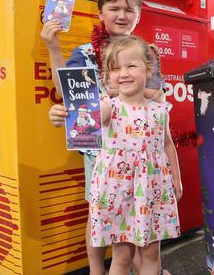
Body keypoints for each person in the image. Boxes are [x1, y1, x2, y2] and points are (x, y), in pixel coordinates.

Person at [41, 0, 164, 274]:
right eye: (114, 8)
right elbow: (68, 92)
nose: (122, 15)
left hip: (136, 147)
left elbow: (156, 93)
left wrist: (118, 97)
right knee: (98, 213)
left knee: (137, 211)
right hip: (100, 150)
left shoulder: (143, 51)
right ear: (100, 13)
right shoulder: (85, 53)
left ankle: (142, 266)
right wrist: (53, 47)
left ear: (138, 15)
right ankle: (98, 270)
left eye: (129, 9)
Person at [51, 35, 182, 275]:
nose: (123, 73)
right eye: (115, 68)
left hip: (153, 191)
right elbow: (84, 120)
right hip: (119, 192)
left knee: (152, 254)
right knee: (122, 256)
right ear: (107, 76)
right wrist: (62, 116)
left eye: (131, 65)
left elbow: (167, 144)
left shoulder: (159, 109)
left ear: (148, 68)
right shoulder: (109, 106)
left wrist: (177, 178)